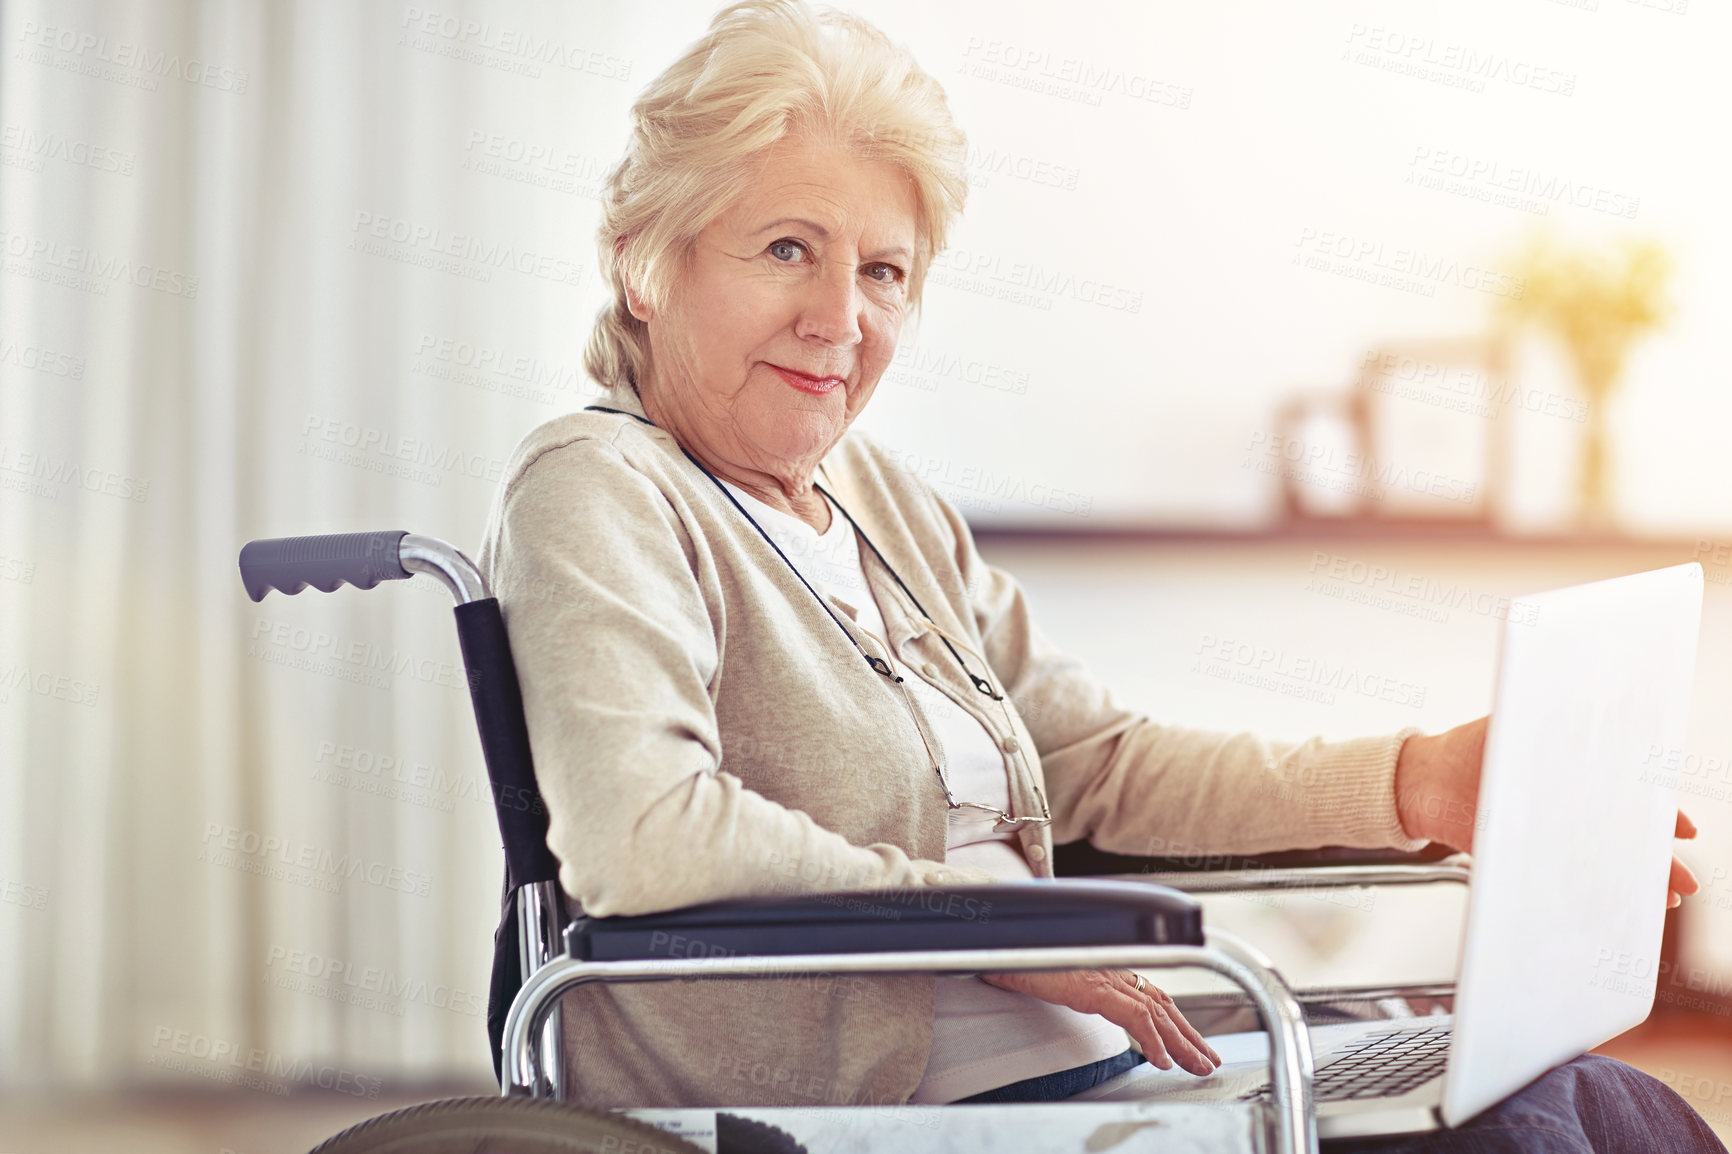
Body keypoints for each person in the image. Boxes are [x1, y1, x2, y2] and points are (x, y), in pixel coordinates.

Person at [477, 2, 1721, 1147]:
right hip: (881, 1110)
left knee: (1609, 1098)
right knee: (1518, 1133)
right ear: (647, 259)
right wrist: (991, 929)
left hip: (1106, 1070)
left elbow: (1101, 764)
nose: (839, 317)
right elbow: (644, 833)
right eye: (787, 249)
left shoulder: (883, 505)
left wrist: (1420, 779)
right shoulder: (599, 486)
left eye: (882, 270)